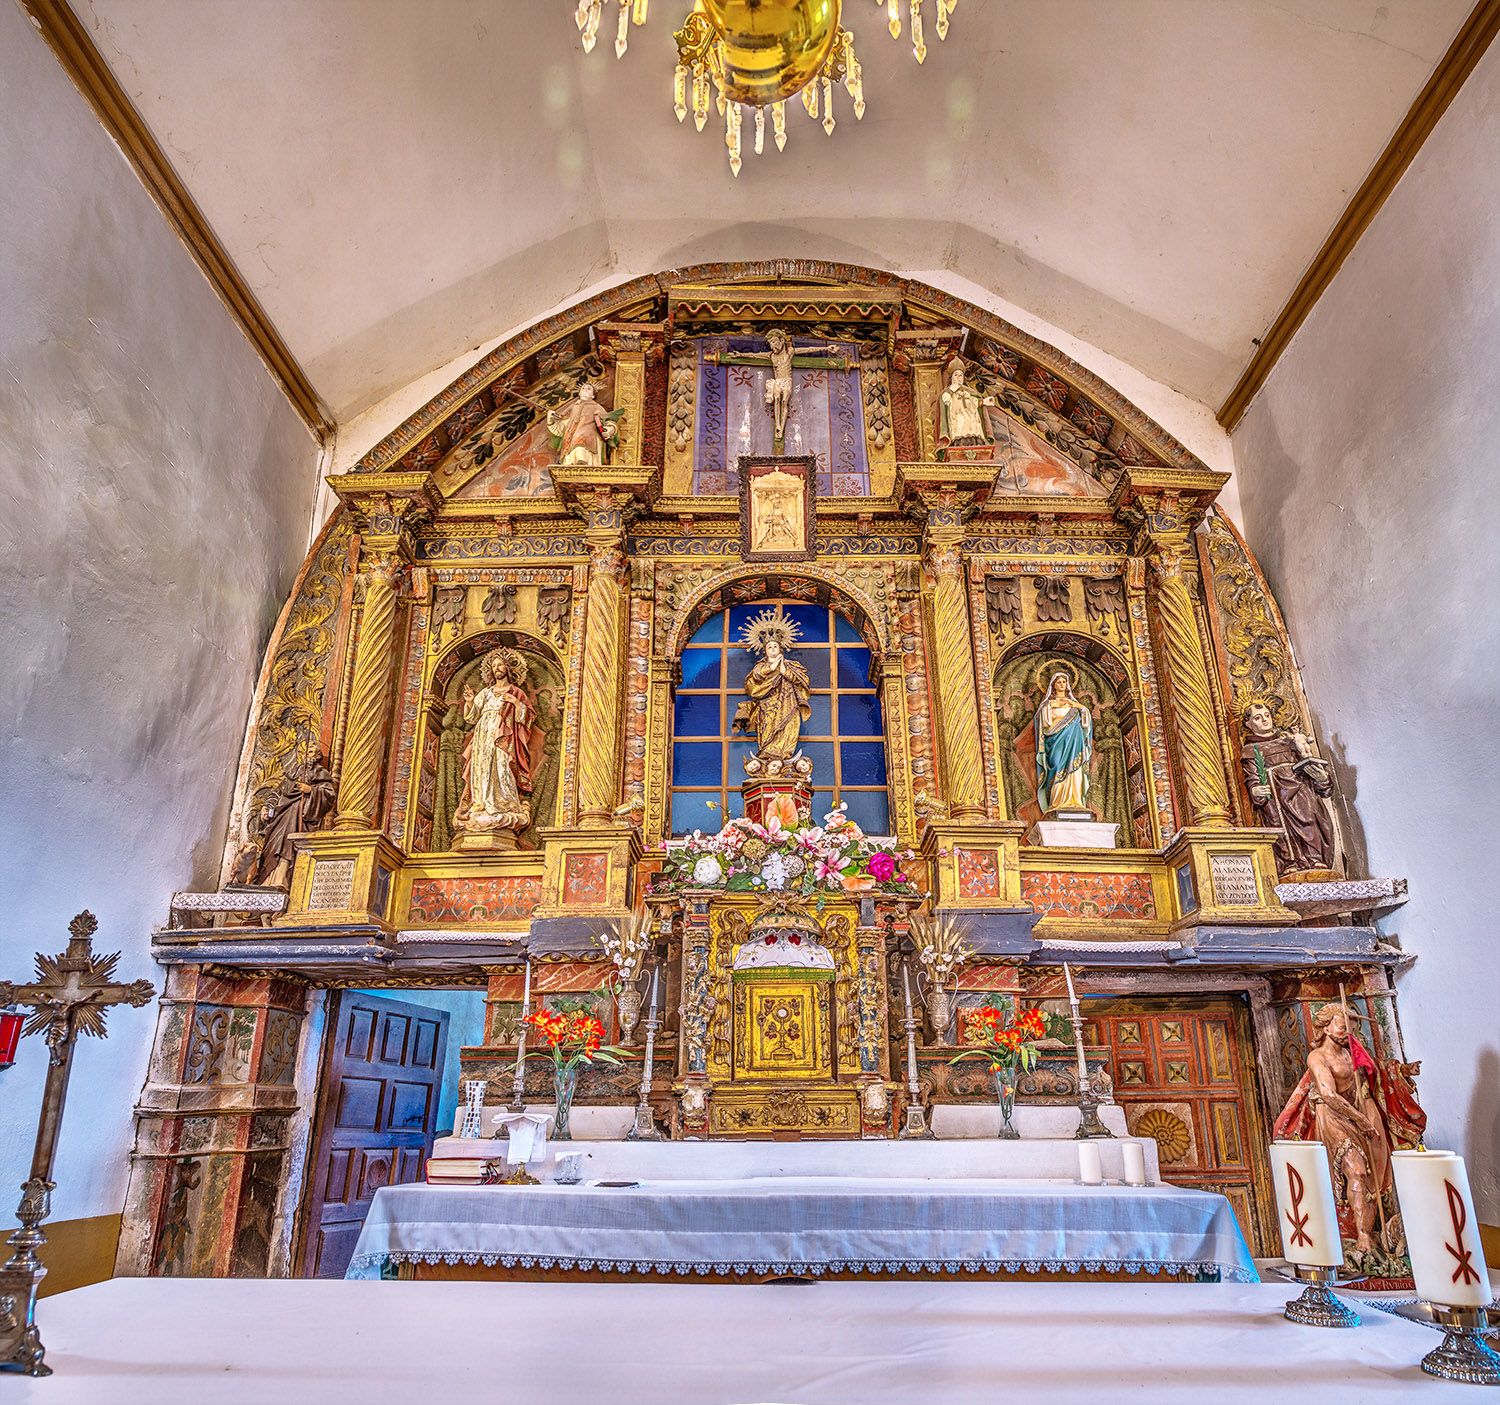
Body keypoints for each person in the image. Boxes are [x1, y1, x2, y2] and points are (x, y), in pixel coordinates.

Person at [1274, 1001, 1426, 1256]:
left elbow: (1378, 1070)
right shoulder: (1317, 1057)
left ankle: (1370, 1232)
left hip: (1364, 1108)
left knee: (1372, 1177)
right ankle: (1362, 1236)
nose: (1348, 1033)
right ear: (1326, 1027)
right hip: (1334, 1115)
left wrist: (1402, 1070)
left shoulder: (1354, 1052)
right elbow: (1328, 1094)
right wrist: (1360, 1120)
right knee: (1355, 1169)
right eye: (1343, 1027)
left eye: (1352, 1029)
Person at [1239, 700, 1337, 874]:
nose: (1265, 720)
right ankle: (1289, 863)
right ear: (1248, 724)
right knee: (1280, 829)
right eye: (1257, 718)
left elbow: (1309, 765)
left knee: (1308, 821)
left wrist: (1322, 778)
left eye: (1267, 715)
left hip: (1301, 792)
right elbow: (1252, 777)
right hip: (1275, 797)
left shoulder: (1290, 741)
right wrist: (1255, 789)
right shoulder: (1250, 750)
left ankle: (1315, 859)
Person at [457, 648, 540, 834]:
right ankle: (481, 802)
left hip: (505, 738)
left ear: (508, 668)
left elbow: (529, 718)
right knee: (482, 767)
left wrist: (515, 702)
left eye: (500, 665)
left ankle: (504, 803)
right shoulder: (486, 693)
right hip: (483, 735)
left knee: (503, 766)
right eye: (494, 666)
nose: (497, 669)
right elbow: (472, 717)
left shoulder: (516, 692)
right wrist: (470, 702)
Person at [250, 756, 335, 888]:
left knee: (288, 843)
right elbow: (277, 793)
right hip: (281, 815)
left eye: (314, 753)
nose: (310, 756)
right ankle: (267, 878)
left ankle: (282, 877)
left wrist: (311, 791)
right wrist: (267, 806)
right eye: (309, 752)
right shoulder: (293, 772)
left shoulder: (320, 773)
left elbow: (328, 796)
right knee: (274, 843)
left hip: (298, 815)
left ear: (318, 756)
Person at [1033, 671, 1093, 815]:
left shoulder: (1074, 704)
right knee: (1056, 765)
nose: (1062, 684)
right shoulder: (1048, 704)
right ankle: (1057, 802)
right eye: (1059, 682)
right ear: (1053, 685)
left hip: (1075, 742)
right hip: (1055, 742)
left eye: (1064, 682)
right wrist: (1050, 707)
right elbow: (1044, 724)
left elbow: (1085, 723)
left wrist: (1080, 707)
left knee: (1075, 769)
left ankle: (1076, 802)